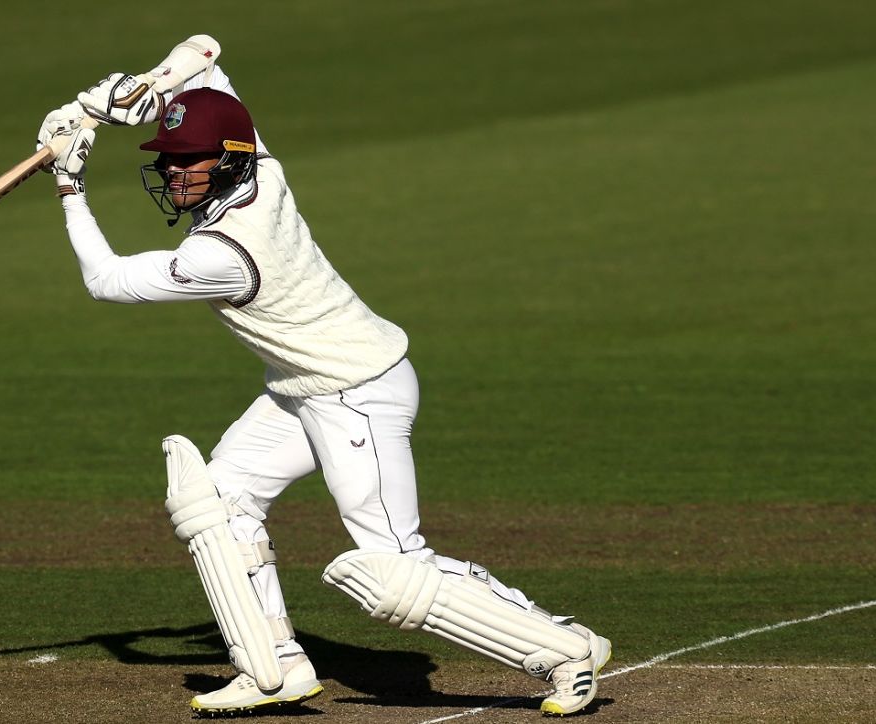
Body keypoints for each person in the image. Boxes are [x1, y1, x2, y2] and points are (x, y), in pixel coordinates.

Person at [35, 46, 611, 718]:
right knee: (218, 502)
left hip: (356, 392)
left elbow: (106, 282)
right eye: (166, 157)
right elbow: (204, 53)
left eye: (183, 160)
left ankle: (563, 651)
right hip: (303, 385)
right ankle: (274, 666)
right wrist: (138, 91)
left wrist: (71, 185)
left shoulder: (220, 254)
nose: (169, 170)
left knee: (392, 570)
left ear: (224, 160)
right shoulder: (262, 167)